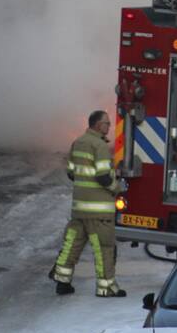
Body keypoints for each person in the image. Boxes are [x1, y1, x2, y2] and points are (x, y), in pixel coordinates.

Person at [49, 110, 126, 298]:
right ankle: (106, 287)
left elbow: (71, 173)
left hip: (79, 208)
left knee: (72, 245)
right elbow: (102, 176)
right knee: (103, 248)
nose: (109, 126)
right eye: (107, 123)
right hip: (98, 211)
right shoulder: (99, 145)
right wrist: (118, 188)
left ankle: (62, 282)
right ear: (98, 125)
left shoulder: (78, 143)